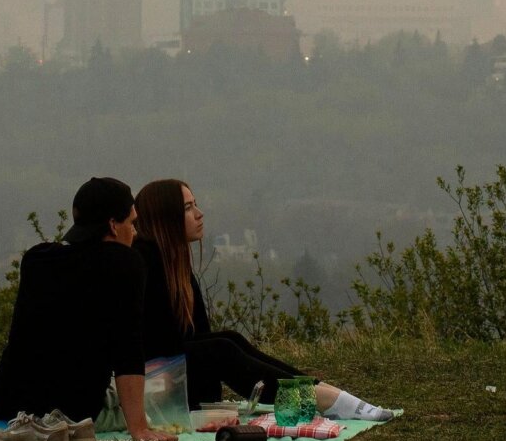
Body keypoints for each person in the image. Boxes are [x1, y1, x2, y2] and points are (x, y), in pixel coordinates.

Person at [132, 178, 395, 422]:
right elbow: (159, 346)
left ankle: (319, 392)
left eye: (195, 205)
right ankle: (320, 398)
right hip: (151, 388)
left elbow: (197, 335)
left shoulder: (174, 264)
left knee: (230, 339)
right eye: (188, 208)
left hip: (172, 380)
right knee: (222, 348)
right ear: (165, 217)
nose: (199, 214)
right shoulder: (144, 263)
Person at [0, 176, 177, 441]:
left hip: (9, 402)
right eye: (132, 223)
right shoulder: (125, 262)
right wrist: (139, 427)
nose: (135, 233)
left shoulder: (37, 259)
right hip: (74, 409)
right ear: (113, 225)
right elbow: (128, 346)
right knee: (161, 389)